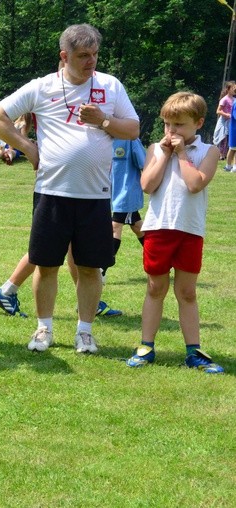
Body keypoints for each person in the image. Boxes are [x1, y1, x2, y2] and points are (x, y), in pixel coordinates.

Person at [0, 23, 139, 353]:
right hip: (52, 192)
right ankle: (44, 329)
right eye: (83, 55)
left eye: (95, 54)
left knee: (89, 267)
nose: (91, 61)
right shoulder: (43, 88)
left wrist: (103, 121)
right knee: (46, 264)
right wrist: (27, 147)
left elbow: (133, 128)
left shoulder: (110, 87)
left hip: (96, 195)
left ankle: (85, 332)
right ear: (64, 56)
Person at [126, 92, 223, 373]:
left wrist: (181, 154)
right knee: (155, 288)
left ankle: (194, 351)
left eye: (179, 125)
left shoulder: (209, 152)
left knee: (187, 292)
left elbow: (195, 184)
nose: (172, 131)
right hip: (158, 228)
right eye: (168, 124)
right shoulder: (156, 149)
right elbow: (147, 185)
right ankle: (146, 346)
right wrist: (166, 153)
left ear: (199, 123)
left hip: (190, 230)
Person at [106, 138, 146, 281]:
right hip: (110, 194)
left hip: (126, 194)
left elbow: (144, 164)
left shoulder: (130, 140)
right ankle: (161, 258)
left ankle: (102, 269)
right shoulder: (104, 137)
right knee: (137, 226)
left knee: (115, 226)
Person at [214, 81, 234, 164]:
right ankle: (221, 155)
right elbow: (218, 111)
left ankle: (227, 156)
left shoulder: (234, 99)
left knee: (230, 139)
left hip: (231, 122)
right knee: (223, 138)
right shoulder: (224, 99)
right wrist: (227, 114)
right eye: (233, 88)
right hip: (224, 122)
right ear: (228, 89)